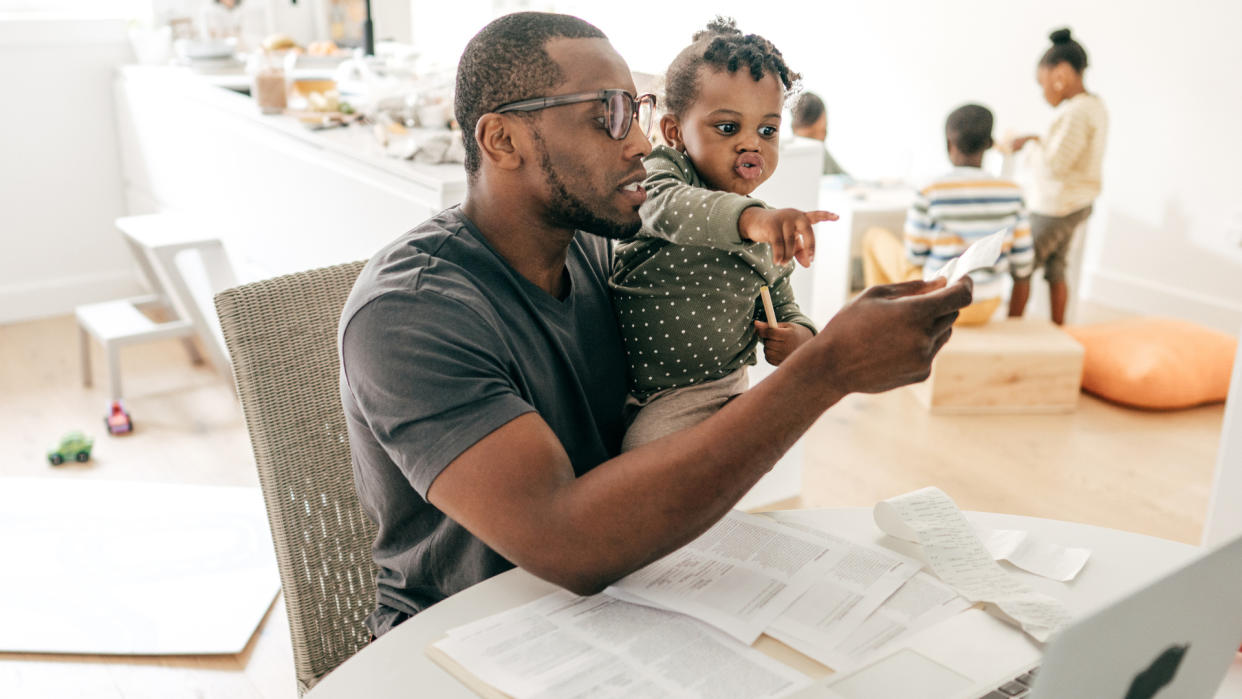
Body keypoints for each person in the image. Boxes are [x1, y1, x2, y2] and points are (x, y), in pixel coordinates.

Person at [338, 11, 972, 639]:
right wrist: (825, 370)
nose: (641, 143)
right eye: (608, 115)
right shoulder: (408, 314)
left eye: (636, 110)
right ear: (503, 141)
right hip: (465, 640)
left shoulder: (596, 249)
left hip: (623, 603)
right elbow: (570, 543)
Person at [609, 17, 835, 451]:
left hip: (709, 390)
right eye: (729, 128)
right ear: (674, 131)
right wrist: (752, 221)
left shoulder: (763, 228)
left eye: (767, 131)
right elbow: (666, 207)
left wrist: (799, 336)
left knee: (652, 475)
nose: (752, 145)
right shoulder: (666, 173)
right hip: (623, 379)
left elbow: (783, 301)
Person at [862, 104, 1033, 325]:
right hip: (986, 306)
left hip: (938, 301)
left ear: (948, 143)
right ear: (990, 144)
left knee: (873, 237)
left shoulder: (930, 190)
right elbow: (1023, 266)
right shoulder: (1013, 192)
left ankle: (882, 321)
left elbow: (915, 255)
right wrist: (1013, 326)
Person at [1006, 28, 1108, 325]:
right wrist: (1037, 139)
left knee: (1022, 266)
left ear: (1060, 74)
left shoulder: (1075, 112)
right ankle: (1059, 329)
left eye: (1043, 83)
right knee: (1057, 268)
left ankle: (1010, 330)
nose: (1043, 92)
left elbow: (1055, 166)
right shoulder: (1096, 106)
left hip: (1056, 206)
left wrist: (1032, 146)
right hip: (1078, 202)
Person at [791, 91, 848, 175]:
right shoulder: (786, 160)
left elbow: (846, 179)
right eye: (811, 135)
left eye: (824, 132)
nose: (819, 139)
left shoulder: (824, 156)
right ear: (794, 129)